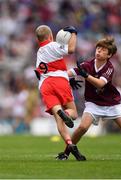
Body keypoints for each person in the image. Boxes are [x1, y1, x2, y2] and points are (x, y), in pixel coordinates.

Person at [35, 25, 85, 160]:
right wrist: (74, 33)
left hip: (45, 85)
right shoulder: (52, 45)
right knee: (73, 114)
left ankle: (69, 143)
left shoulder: (39, 53)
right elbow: (71, 49)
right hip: (59, 81)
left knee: (59, 118)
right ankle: (66, 114)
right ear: (50, 36)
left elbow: (40, 73)